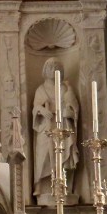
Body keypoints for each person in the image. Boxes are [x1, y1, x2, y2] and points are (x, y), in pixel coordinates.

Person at [32, 57, 79, 197]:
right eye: (51, 68)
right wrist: (41, 110)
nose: (54, 71)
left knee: (64, 154)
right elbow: (35, 108)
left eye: (57, 68)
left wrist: (69, 113)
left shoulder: (65, 88)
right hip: (46, 127)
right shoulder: (41, 89)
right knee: (43, 155)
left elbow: (74, 108)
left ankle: (63, 185)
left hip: (63, 125)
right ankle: (40, 185)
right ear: (45, 70)